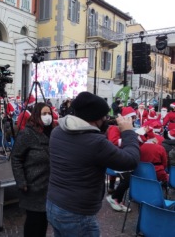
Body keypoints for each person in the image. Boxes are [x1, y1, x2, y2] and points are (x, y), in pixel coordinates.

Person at [47, 91, 140, 236]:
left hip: (54, 204)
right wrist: (128, 132)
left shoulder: (57, 132)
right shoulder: (96, 143)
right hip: (77, 214)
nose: (106, 120)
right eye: (103, 117)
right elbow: (131, 161)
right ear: (94, 118)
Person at [11, 102, 55, 237]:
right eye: (44, 114)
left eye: (49, 114)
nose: (47, 116)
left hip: (48, 186)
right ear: (36, 115)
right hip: (32, 186)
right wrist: (21, 182)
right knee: (33, 223)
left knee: (43, 223)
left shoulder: (52, 132)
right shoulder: (27, 134)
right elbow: (16, 158)